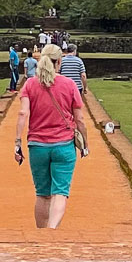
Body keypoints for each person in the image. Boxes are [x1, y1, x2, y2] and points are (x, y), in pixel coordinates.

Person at [14, 43, 86, 230]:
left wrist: (17, 141)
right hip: (63, 145)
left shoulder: (30, 84)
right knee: (60, 192)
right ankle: (52, 231)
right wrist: (84, 144)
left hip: (37, 145)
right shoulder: (69, 84)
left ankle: (41, 234)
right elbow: (80, 119)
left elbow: (23, 113)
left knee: (42, 194)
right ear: (59, 62)